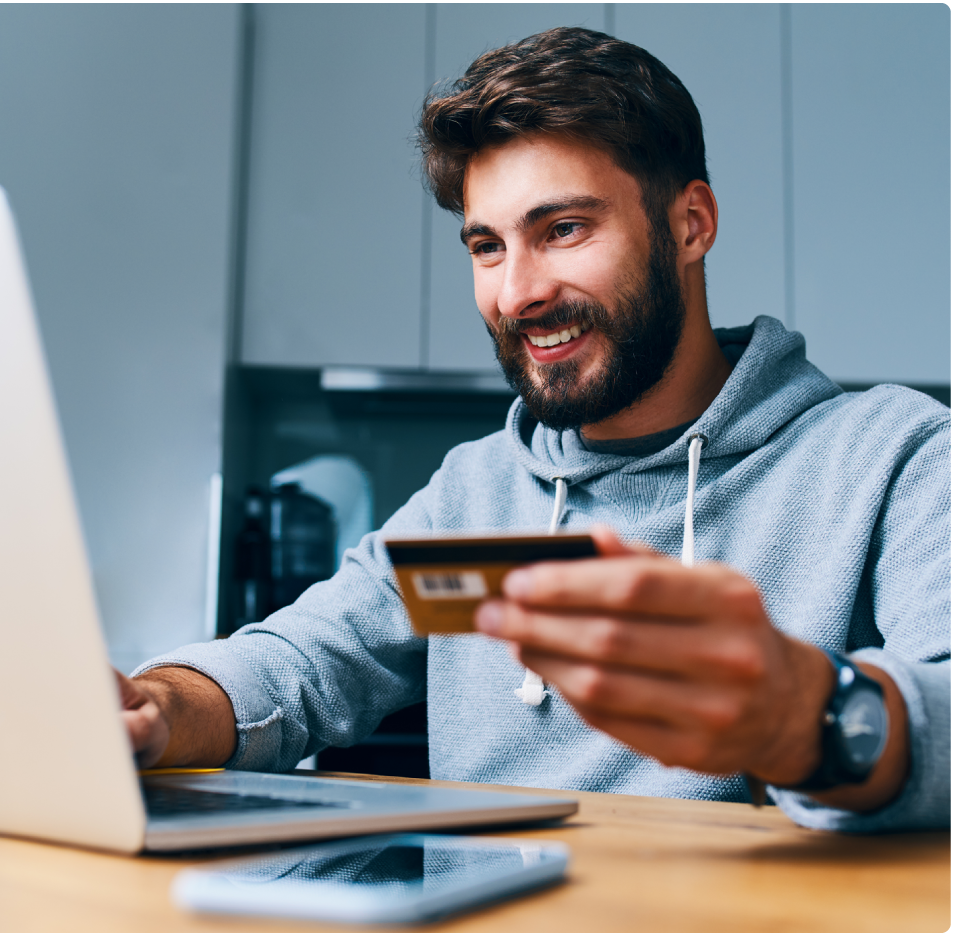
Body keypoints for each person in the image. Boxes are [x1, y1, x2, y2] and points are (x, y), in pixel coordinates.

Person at [120, 27, 952, 831]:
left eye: (563, 230)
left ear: (689, 225)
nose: (516, 294)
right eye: (487, 246)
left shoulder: (893, 456)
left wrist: (805, 714)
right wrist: (154, 707)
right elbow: (298, 665)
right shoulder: (472, 494)